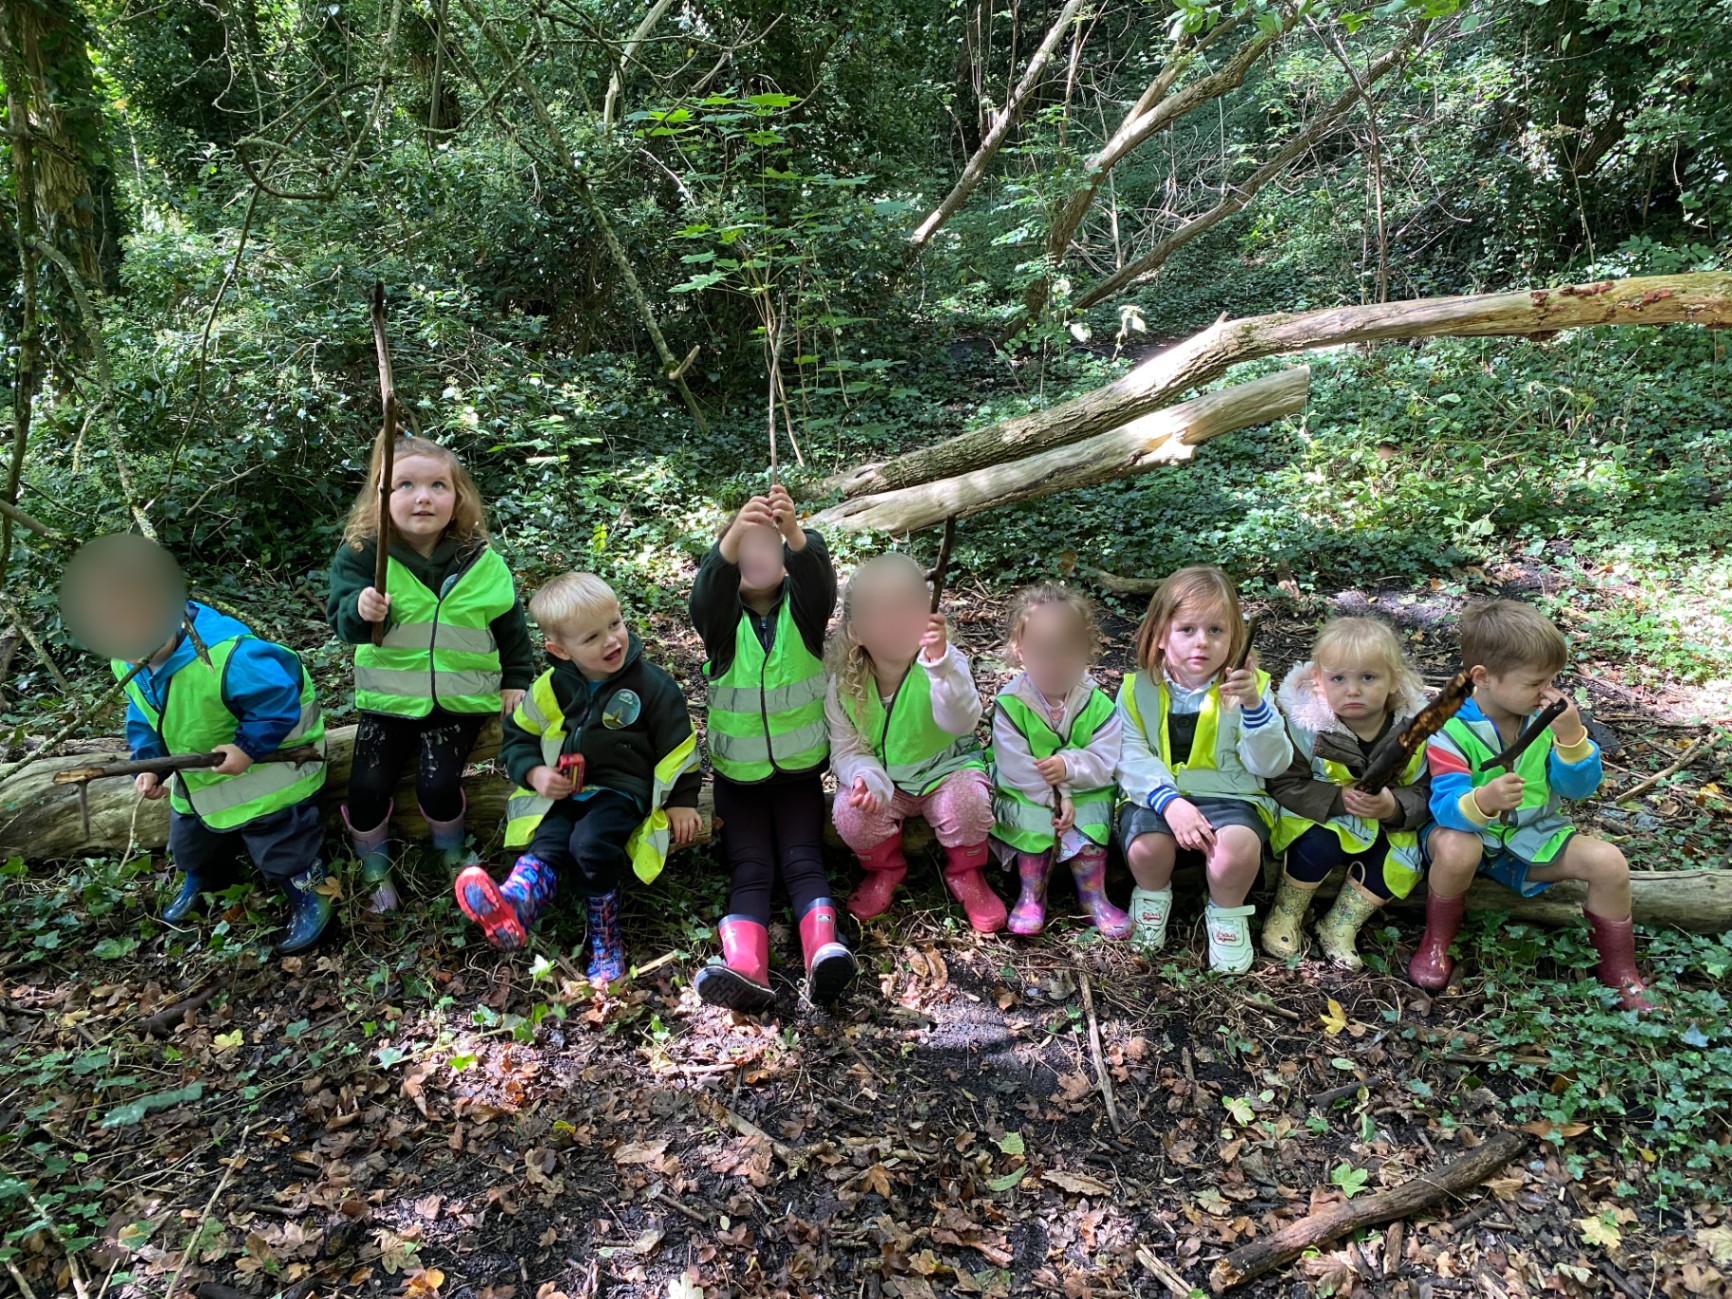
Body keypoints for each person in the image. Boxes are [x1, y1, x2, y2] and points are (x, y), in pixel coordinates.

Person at [455, 573, 701, 985]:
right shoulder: (551, 687)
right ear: (559, 650)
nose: (611, 641)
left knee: (589, 844)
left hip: (622, 790)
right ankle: (517, 902)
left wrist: (683, 800)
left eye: (615, 624)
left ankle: (605, 940)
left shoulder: (652, 685)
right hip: (565, 791)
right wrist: (535, 773)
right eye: (591, 638)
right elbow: (518, 737)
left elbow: (679, 747)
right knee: (549, 838)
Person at [1409, 600, 1654, 1010]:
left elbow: (1578, 789)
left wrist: (1573, 738)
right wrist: (1483, 801)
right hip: (1468, 836)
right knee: (1458, 846)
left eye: (1553, 680)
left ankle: (1619, 970)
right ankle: (1437, 940)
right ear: (1483, 678)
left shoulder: (1546, 721)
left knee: (1609, 863)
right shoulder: (1449, 727)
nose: (1549, 692)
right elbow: (1446, 806)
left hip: (1532, 838)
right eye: (1535, 682)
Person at [328, 436, 535, 911]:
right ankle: (374, 865)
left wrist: (515, 680)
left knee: (438, 784)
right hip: (389, 700)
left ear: (457, 497)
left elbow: (510, 625)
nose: (423, 496)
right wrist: (362, 609)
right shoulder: (364, 554)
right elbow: (341, 620)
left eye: (438, 484)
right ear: (381, 495)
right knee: (365, 787)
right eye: (405, 485)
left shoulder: (479, 559)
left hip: (460, 702)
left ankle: (452, 853)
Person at [688, 483, 853, 1009]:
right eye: (743, 548)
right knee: (752, 868)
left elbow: (818, 580)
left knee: (805, 862)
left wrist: (795, 533)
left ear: (785, 561)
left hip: (800, 775)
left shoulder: (804, 618)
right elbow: (706, 592)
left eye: (769, 546)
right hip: (738, 782)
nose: (756, 555)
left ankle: (823, 950)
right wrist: (737, 532)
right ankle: (744, 968)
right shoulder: (719, 625)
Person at [119, 599, 331, 954]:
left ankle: (308, 887)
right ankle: (205, 881)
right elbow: (144, 714)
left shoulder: (228, 655)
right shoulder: (128, 663)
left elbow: (277, 699)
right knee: (189, 844)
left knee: (281, 840)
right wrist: (151, 762)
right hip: (200, 781)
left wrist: (247, 747)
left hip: (271, 774)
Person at [1114, 565, 1292, 971]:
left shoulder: (1254, 689)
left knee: (1237, 851)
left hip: (1232, 798)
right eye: (1187, 629)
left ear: (1236, 639)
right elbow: (1129, 755)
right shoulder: (1137, 688)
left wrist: (1254, 708)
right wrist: (1169, 803)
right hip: (1158, 797)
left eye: (1216, 630)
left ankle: (1227, 914)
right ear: (1160, 636)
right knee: (1146, 847)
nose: (1202, 643)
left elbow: (1272, 763)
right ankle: (1152, 897)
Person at [826, 554, 1005, 933]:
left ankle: (967, 874)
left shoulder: (944, 662)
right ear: (856, 631)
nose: (897, 620)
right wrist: (864, 776)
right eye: (881, 611)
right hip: (887, 783)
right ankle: (886, 870)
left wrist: (940, 668)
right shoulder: (844, 684)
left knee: (968, 802)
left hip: (947, 770)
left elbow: (963, 720)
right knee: (850, 812)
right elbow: (844, 750)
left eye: (909, 605)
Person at [1265, 616, 1432, 968]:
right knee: (1315, 842)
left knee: (1397, 859)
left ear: (1393, 681)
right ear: (1319, 682)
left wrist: (1394, 807)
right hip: (1321, 817)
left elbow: (1427, 789)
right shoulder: (1306, 726)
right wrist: (1337, 799)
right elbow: (1283, 782)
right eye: (1338, 679)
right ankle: (1287, 911)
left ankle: (1340, 926)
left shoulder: (1415, 729)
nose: (1352, 690)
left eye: (1367, 678)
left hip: (1383, 824)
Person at [988, 585, 1130, 938]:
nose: (1053, 661)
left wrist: (1069, 770)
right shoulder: (1011, 704)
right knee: (1034, 822)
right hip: (1029, 789)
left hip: (1083, 788)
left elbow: (1106, 757)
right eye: (1042, 651)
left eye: (1065, 650)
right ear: (1021, 651)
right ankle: (1031, 894)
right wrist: (1054, 794)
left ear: (1086, 650)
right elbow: (1013, 763)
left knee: (1092, 816)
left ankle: (1093, 896)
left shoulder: (1097, 704)